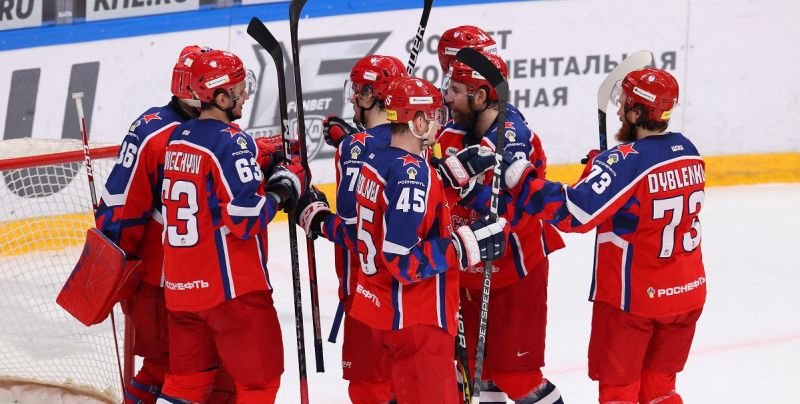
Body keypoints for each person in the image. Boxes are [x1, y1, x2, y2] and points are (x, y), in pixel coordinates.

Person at [494, 68, 706, 403]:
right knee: (660, 390)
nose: (619, 111)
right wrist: (603, 168)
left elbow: (574, 214)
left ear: (637, 113)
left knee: (619, 394)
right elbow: (636, 200)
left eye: (625, 104)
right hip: (687, 295)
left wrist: (522, 180)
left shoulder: (625, 162)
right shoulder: (689, 150)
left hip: (634, 300)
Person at [296, 76, 510, 403]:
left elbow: (378, 224)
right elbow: (404, 262)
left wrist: (450, 173)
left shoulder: (374, 162)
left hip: (383, 312)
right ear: (418, 122)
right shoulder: (413, 175)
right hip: (416, 320)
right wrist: (466, 245)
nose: (441, 123)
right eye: (434, 116)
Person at [95, 45, 242, 404]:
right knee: (167, 370)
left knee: (214, 369)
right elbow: (122, 209)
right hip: (161, 284)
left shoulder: (171, 126)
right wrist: (120, 271)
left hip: (190, 280)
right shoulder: (165, 135)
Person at [156, 49, 304, 404]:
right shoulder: (232, 142)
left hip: (181, 290)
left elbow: (212, 167)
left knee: (185, 384)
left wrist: (258, 152)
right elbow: (246, 220)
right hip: (231, 292)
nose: (245, 95)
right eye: (238, 90)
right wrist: (283, 189)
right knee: (259, 384)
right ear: (221, 98)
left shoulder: (178, 137)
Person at [436, 51, 565, 403]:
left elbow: (520, 212)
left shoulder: (514, 139)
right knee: (476, 373)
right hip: (468, 273)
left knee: (517, 376)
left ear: (480, 96)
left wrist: (470, 192)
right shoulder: (451, 131)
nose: (447, 96)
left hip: (514, 273)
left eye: (455, 90)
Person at [321, 54, 408, 403]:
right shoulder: (418, 138)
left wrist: (313, 215)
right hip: (410, 285)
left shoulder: (355, 147)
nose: (354, 97)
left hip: (366, 287)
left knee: (368, 387)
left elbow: (352, 226)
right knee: (405, 383)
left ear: (371, 95)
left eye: (358, 90)